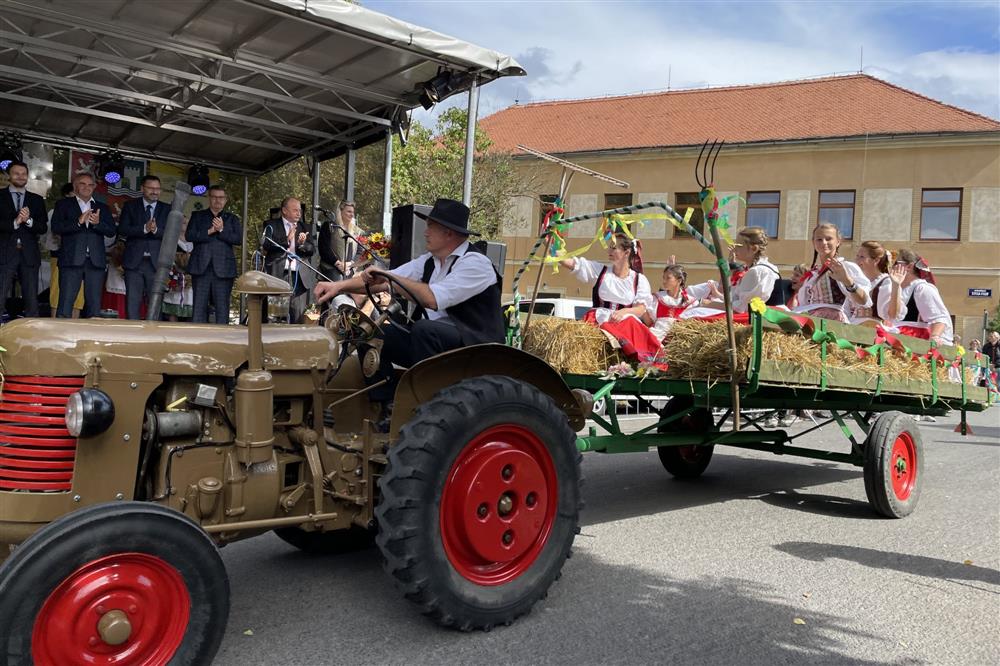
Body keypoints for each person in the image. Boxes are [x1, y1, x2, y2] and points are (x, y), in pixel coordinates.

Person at [314, 198, 503, 427]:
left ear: (449, 233)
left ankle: (424, 411)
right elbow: (384, 282)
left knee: (425, 330)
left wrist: (389, 278)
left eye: (431, 226)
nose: (425, 232)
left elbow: (432, 299)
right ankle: (388, 407)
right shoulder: (429, 262)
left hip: (476, 348)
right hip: (437, 344)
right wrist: (337, 287)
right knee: (369, 332)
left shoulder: (476, 264)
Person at [558, 231, 657, 361]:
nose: (609, 250)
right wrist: (553, 247)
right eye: (610, 246)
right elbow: (571, 263)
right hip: (599, 318)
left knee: (635, 329)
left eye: (614, 247)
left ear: (626, 253)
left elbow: (640, 309)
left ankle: (638, 361)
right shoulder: (601, 271)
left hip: (625, 321)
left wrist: (624, 312)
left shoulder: (639, 279)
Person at [50, 171, 117, 318]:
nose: (87, 187)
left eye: (90, 185)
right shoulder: (63, 205)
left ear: (94, 187)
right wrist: (78, 222)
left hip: (95, 261)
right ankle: (62, 337)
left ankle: (91, 339)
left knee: (94, 304)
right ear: (75, 186)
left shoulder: (102, 207)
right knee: (66, 302)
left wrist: (98, 224)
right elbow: (56, 228)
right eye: (83, 184)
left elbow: (112, 231)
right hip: (71, 260)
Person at [186, 185, 242, 324]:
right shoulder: (197, 216)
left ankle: (222, 341)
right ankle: (198, 341)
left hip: (223, 269)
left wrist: (222, 230)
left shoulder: (232, 218)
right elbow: (189, 235)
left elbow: (238, 240)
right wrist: (209, 231)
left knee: (222, 308)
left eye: (221, 197)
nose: (218, 200)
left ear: (226, 200)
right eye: (214, 197)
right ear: (209, 198)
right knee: (199, 307)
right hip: (201, 267)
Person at [0, 160, 48, 320]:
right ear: (8, 175)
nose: (20, 177)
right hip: (4, 253)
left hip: (29, 255)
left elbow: (42, 227)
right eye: (16, 173)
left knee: (31, 299)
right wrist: (15, 222)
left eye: (23, 174)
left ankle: (31, 337)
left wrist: (28, 220)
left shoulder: (36, 199)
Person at [794, 222, 870, 322]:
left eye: (828, 239)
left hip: (832, 320)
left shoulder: (846, 267)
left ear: (838, 242)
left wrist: (848, 281)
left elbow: (863, 301)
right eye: (819, 239)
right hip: (811, 318)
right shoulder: (813, 274)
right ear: (813, 242)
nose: (824, 243)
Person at [694, 227, 779, 314]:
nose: (734, 248)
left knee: (695, 312)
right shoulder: (769, 268)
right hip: (746, 317)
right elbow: (737, 300)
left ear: (754, 249)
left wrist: (708, 303)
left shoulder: (755, 272)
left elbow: (740, 309)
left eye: (738, 245)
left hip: (746, 321)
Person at [119, 175, 170, 319]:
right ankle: (133, 337)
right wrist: (144, 228)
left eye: (157, 189)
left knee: (155, 304)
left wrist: (155, 230)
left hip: (157, 263)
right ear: (142, 188)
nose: (155, 191)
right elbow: (123, 229)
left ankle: (154, 337)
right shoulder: (130, 206)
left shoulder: (167, 209)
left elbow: (171, 233)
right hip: (134, 262)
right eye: (151, 188)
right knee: (132, 303)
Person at [880, 249, 954, 345]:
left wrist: (935, 336)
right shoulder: (891, 287)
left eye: (894, 263)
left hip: (913, 341)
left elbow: (939, 317)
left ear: (909, 266)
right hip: (893, 339)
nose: (890, 267)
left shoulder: (921, 288)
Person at [262, 196, 314, 322]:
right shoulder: (271, 225)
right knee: (275, 315)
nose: (299, 213)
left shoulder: (305, 227)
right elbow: (266, 245)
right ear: (284, 211)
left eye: (300, 211)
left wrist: (302, 244)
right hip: (278, 274)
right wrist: (286, 239)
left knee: (297, 315)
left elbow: (312, 249)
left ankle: (295, 341)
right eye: (295, 210)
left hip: (299, 276)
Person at [642, 263, 712, 342]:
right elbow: (649, 322)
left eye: (668, 278)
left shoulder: (690, 302)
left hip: (678, 341)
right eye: (663, 278)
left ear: (679, 281)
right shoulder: (658, 298)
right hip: (656, 338)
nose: (664, 281)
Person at [318, 200, 362, 280]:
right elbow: (324, 249)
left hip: (349, 269)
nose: (352, 215)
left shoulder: (356, 231)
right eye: (349, 211)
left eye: (353, 212)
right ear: (340, 211)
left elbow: (360, 251)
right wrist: (338, 264)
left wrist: (351, 264)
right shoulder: (329, 226)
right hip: (331, 269)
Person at [850, 241, 891, 325]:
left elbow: (885, 314)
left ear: (876, 260)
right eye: (857, 256)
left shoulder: (885, 282)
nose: (857, 260)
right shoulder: (856, 281)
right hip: (852, 328)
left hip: (873, 330)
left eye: (862, 257)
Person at [163, 216, 194, 322]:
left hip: (190, 278)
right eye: (183, 222)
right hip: (176, 274)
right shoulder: (172, 241)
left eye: (187, 223)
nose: (185, 224)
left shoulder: (194, 241)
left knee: (189, 305)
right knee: (174, 306)